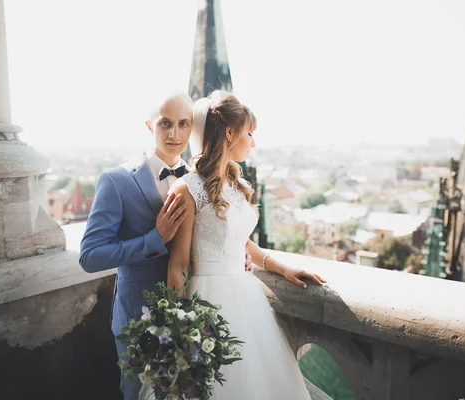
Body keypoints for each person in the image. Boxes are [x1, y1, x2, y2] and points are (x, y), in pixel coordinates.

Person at [163, 90, 329, 399]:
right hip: (206, 303)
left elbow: (241, 242)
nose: (252, 141)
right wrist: (177, 328)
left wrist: (283, 267)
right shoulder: (187, 189)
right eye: (249, 133)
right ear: (230, 132)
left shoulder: (235, 185)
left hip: (247, 298)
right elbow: (178, 264)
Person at [79, 91, 194, 399]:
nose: (174, 134)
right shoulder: (116, 180)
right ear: (149, 125)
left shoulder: (197, 180)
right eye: (165, 123)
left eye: (184, 124)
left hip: (191, 314)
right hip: (137, 317)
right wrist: (154, 240)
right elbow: (90, 256)